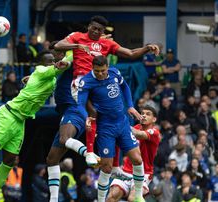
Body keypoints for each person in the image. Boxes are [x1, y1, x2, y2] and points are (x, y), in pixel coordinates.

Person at [49, 15, 159, 201]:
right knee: (92, 113)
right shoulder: (77, 37)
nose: (95, 32)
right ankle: (89, 151)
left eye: (99, 30)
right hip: (82, 83)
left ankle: (113, 166)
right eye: (93, 28)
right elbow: (58, 46)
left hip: (102, 89)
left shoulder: (107, 46)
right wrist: (78, 47)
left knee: (110, 115)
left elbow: (131, 54)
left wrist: (147, 48)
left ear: (103, 32)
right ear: (89, 27)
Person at [0, 51, 71, 202]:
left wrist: (30, 80)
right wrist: (77, 48)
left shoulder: (46, 78)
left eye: (53, 61)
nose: (52, 63)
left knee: (10, 161)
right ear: (41, 64)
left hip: (20, 121)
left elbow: (50, 75)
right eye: (49, 61)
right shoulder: (41, 71)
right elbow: (58, 68)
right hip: (8, 115)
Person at [78, 55, 144, 202]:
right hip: (105, 128)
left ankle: (138, 196)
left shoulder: (114, 73)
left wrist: (130, 106)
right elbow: (80, 103)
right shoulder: (86, 81)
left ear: (107, 67)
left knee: (137, 159)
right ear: (92, 68)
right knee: (106, 168)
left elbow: (125, 87)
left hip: (123, 124)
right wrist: (86, 116)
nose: (100, 73)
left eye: (102, 70)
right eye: (97, 71)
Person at [107, 105, 161, 202]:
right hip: (126, 171)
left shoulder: (155, 133)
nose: (144, 116)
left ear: (154, 119)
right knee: (111, 198)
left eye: (148, 114)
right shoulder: (135, 127)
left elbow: (139, 134)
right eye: (142, 113)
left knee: (132, 199)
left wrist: (121, 123)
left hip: (144, 173)